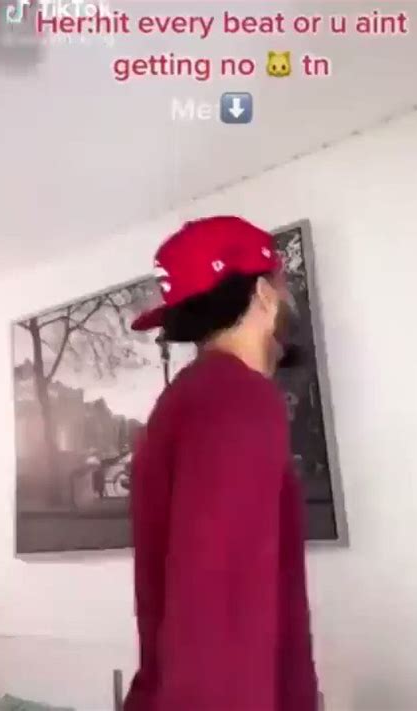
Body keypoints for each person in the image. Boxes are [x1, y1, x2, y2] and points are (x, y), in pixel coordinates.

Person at [124, 216, 319, 711]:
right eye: (282, 288)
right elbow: (219, 611)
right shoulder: (235, 398)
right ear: (264, 294)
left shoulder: (187, 400)